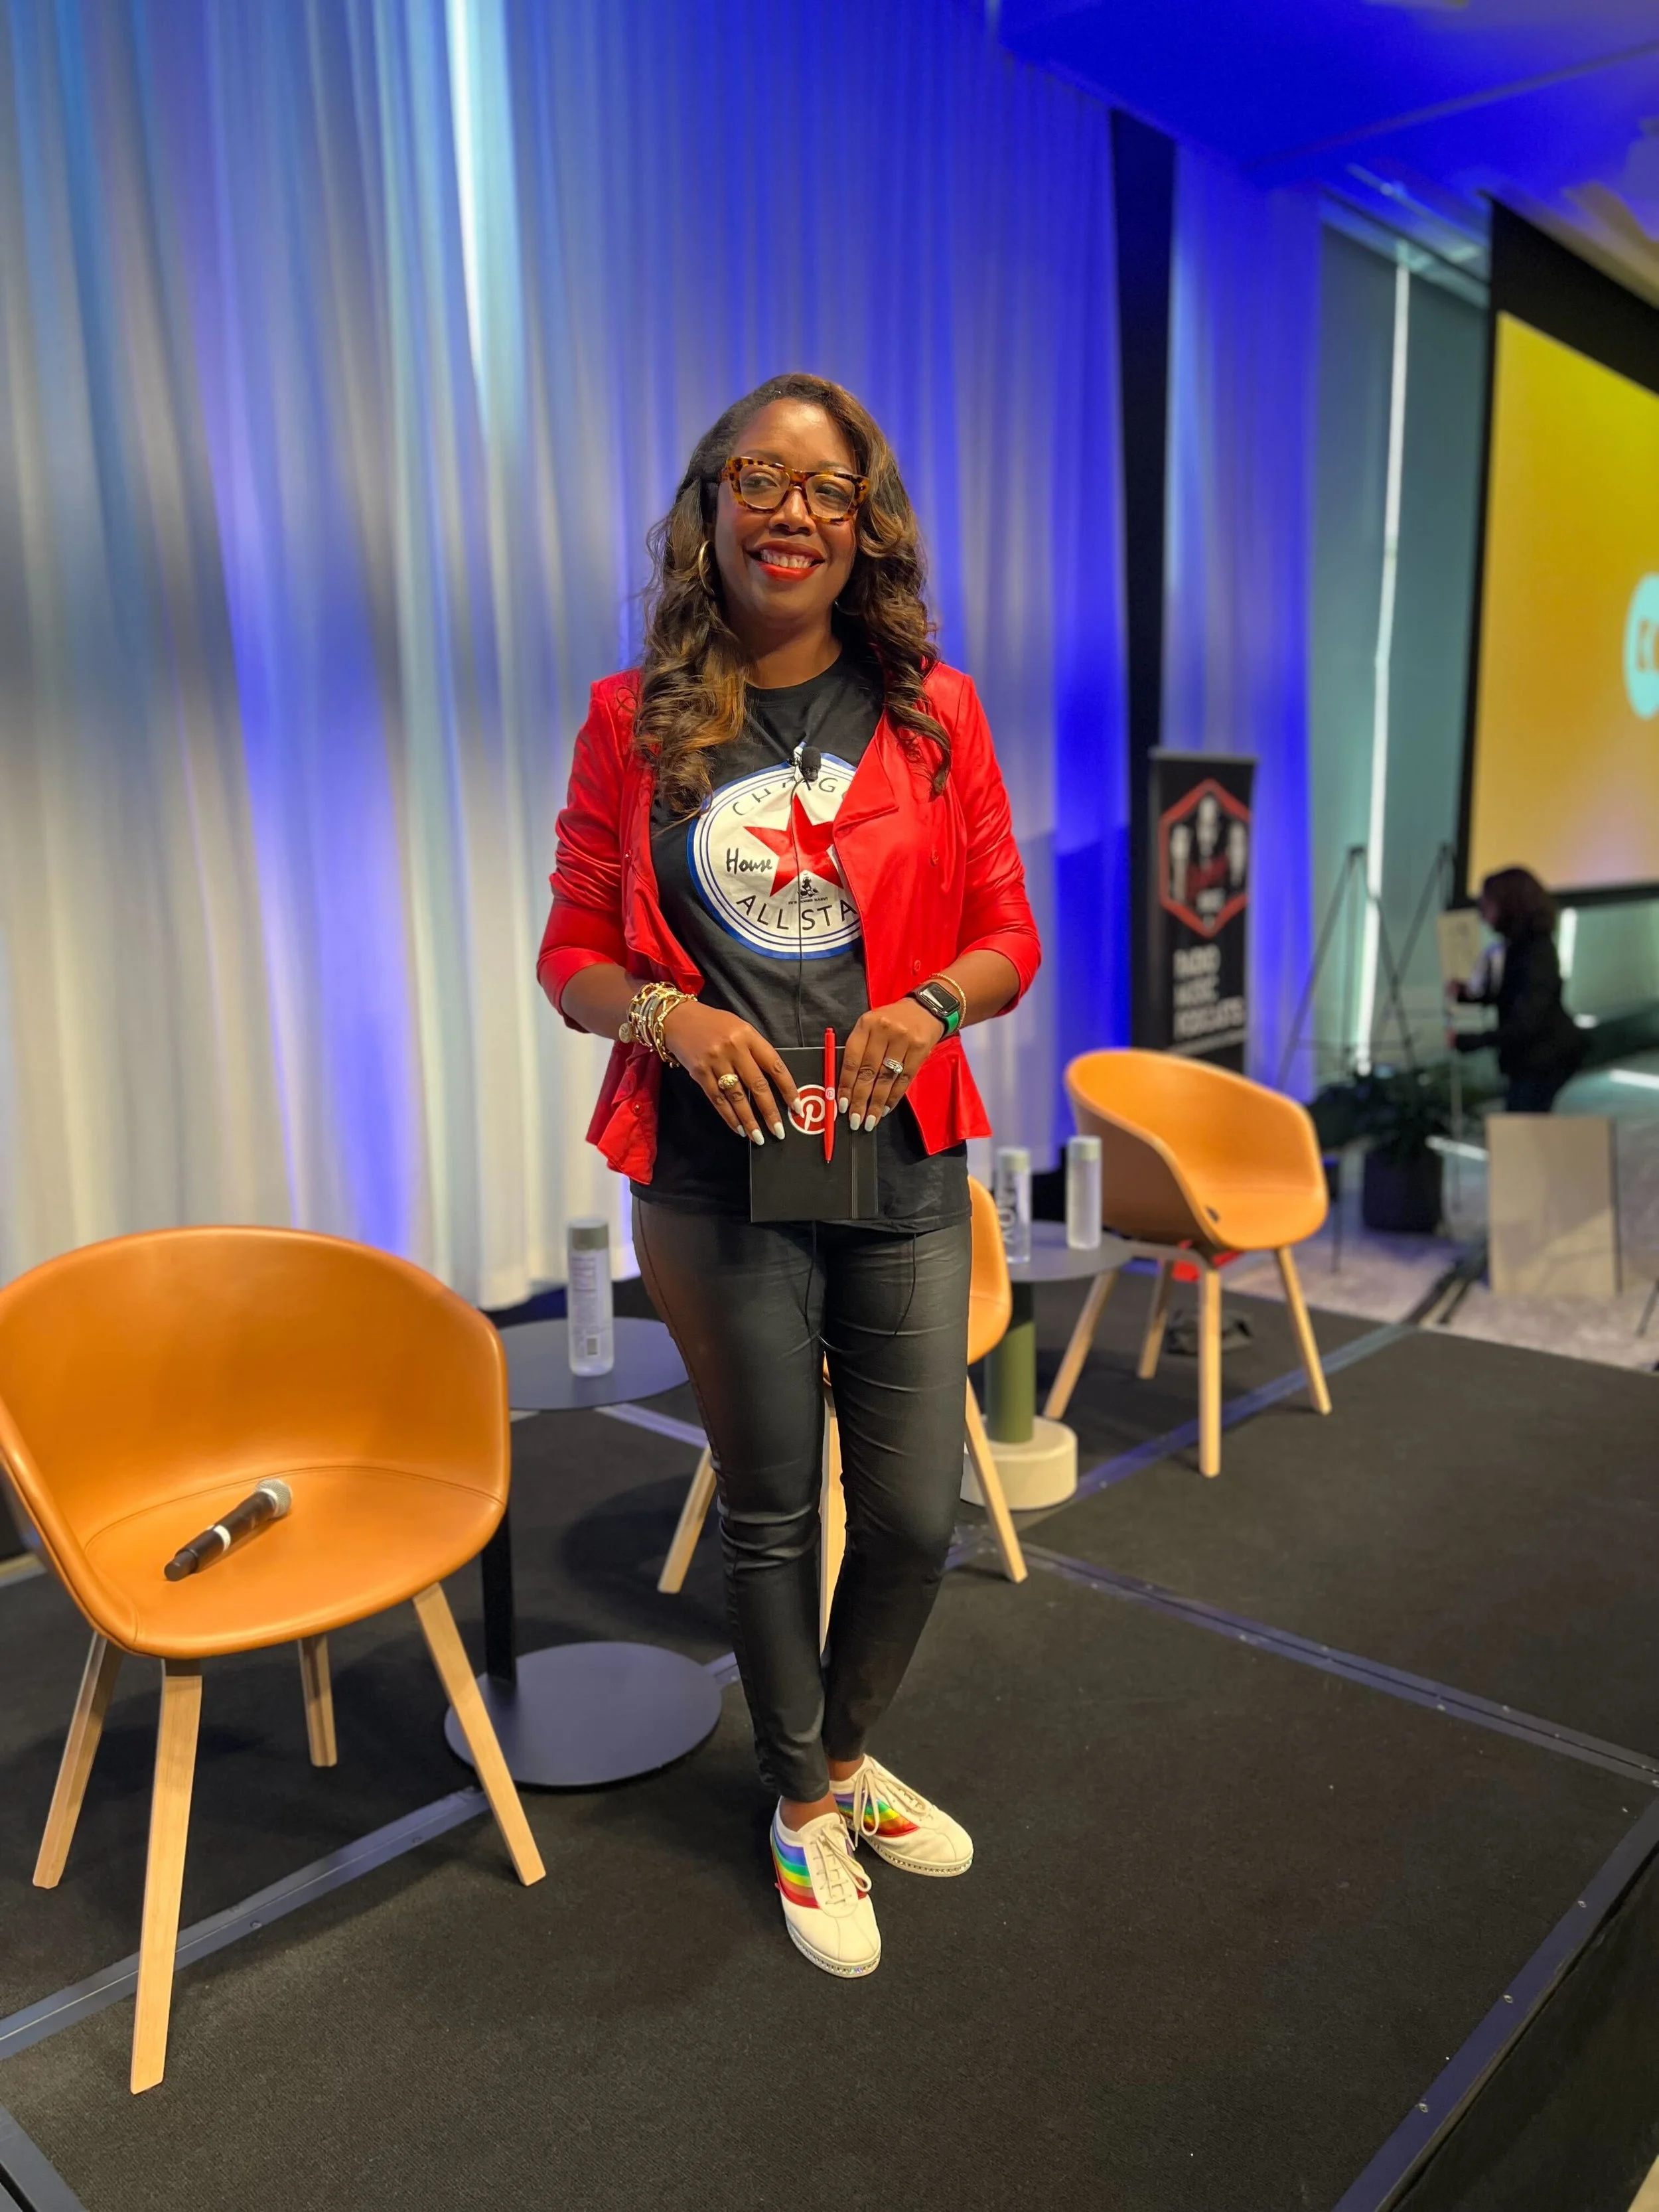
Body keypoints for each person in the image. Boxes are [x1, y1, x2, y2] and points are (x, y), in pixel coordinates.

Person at [537, 373, 1040, 1979]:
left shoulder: (935, 714)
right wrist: (670, 1016)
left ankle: (838, 1753)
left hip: (898, 1157)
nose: (793, 510)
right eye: (760, 478)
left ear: (864, 527)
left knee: (911, 1516)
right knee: (772, 1511)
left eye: (829, 489)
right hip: (709, 1174)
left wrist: (930, 1002)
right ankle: (800, 1804)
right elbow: (572, 958)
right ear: (711, 511)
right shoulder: (633, 719)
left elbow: (1006, 936)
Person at [1447, 866, 1583, 1112]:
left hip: (1544, 1058)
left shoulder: (1534, 953)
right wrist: (1468, 996)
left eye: (1487, 904)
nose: (1482, 913)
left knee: (1523, 1127)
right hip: (1533, 1056)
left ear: (1509, 905)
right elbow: (1511, 995)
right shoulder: (1520, 945)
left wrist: (1470, 1041)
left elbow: (1527, 1020)